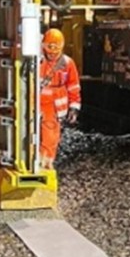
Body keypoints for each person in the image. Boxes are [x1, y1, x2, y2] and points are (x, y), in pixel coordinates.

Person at [38, 28, 81, 170]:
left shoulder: (67, 63)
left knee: (51, 135)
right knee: (38, 133)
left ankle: (46, 161)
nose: (52, 54)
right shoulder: (37, 61)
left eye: (55, 51)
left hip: (53, 106)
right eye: (49, 50)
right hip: (37, 103)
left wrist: (74, 107)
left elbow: (73, 86)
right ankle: (39, 160)